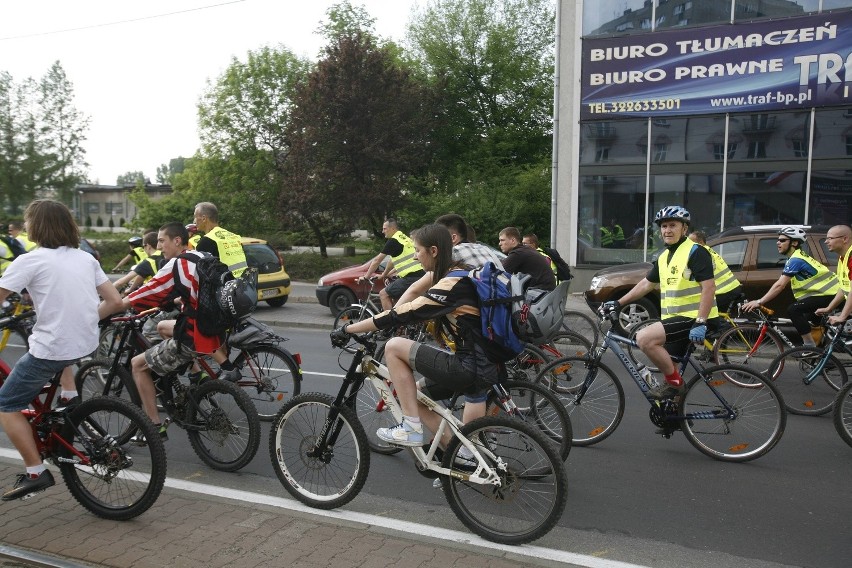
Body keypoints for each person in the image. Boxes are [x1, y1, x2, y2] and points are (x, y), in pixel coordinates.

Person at [331, 224, 501, 447]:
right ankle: (457, 454)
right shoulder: (461, 272)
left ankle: (410, 428)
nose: (414, 257)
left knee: (393, 347)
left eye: (417, 251)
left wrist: (347, 329)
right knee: (418, 394)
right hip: (488, 363)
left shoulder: (450, 284)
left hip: (469, 367)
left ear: (433, 251)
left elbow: (403, 312)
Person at [0, 200, 123, 501]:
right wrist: (85, 317)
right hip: (84, 342)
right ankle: (69, 395)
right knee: (49, 339)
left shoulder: (30, 260)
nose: (25, 226)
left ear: (38, 226)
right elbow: (116, 302)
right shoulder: (85, 258)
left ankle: (35, 471)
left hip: (54, 348)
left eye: (28, 221)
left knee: (5, 405)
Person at [116, 223, 239, 437]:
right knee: (164, 327)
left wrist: (116, 306)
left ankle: (153, 427)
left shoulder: (176, 264)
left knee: (138, 365)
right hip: (214, 329)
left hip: (194, 335)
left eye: (162, 241)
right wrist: (175, 301)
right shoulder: (202, 256)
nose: (158, 246)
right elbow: (199, 291)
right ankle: (196, 374)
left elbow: (148, 289)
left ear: (177, 241)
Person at [602, 206, 718, 399]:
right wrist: (618, 302)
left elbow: (709, 288)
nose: (667, 230)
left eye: (673, 225)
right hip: (676, 320)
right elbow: (646, 284)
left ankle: (675, 385)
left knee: (644, 338)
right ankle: (674, 417)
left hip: (695, 319)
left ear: (684, 229)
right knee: (671, 367)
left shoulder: (696, 252)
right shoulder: (665, 257)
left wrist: (701, 321)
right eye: (664, 226)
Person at [742, 227, 840, 347]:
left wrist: (759, 301)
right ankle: (821, 355)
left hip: (831, 294)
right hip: (828, 294)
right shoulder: (796, 257)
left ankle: (810, 347)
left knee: (794, 310)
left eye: (782, 240)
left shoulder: (796, 260)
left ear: (794, 243)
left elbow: (780, 285)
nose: (778, 243)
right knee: (809, 320)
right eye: (778, 240)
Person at [358, 218, 426, 310]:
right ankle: (402, 321)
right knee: (396, 299)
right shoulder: (403, 237)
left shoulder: (394, 240)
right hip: (420, 274)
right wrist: (384, 275)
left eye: (385, 229)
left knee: (383, 294)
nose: (382, 231)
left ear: (393, 229)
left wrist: (366, 277)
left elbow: (377, 261)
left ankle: (390, 322)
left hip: (411, 276)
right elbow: (392, 261)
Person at [688, 230, 743, 314]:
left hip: (723, 291)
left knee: (705, 312)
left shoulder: (700, 253)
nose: (688, 244)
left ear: (700, 242)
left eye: (690, 241)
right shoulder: (709, 250)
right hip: (732, 287)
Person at [192, 202, 248, 277]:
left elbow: (201, 274)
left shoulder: (206, 242)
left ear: (204, 218)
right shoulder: (233, 237)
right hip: (243, 284)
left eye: (195, 217)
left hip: (225, 286)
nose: (194, 221)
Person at [815, 225, 852, 326]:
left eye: (830, 238)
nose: (826, 241)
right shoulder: (843, 257)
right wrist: (829, 308)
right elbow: (844, 287)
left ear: (845, 239)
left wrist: (842, 317)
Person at [498, 227, 556, 291]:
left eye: (502, 240)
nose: (500, 244)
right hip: (547, 292)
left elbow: (498, 273)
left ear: (513, 240)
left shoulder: (518, 253)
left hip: (539, 293)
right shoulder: (524, 249)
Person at [112, 232, 163, 296]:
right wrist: (131, 288)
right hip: (170, 293)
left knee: (126, 302)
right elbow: (141, 276)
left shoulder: (149, 261)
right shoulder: (166, 254)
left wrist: (103, 293)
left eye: (143, 246)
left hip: (156, 293)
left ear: (148, 246)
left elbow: (120, 282)